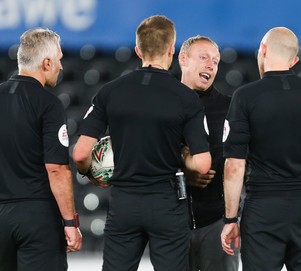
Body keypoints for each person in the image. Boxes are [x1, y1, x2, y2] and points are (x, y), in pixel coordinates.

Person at [73, 15, 211, 271]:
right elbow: (202, 164)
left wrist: (90, 173)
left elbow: (81, 153)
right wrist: (183, 158)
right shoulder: (187, 98)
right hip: (167, 203)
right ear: (172, 48)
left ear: (138, 50)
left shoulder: (109, 92)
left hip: (124, 202)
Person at [220, 27, 301, 271]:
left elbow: (234, 166)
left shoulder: (244, 96)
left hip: (262, 210)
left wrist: (231, 219)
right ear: (294, 60)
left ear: (262, 50)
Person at [0, 28, 82, 271]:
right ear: (47, 62)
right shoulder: (49, 104)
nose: (61, 67)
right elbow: (57, 169)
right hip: (38, 217)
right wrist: (70, 222)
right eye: (59, 60)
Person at [178, 35, 239, 271]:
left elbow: (241, 162)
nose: (211, 65)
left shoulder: (230, 108)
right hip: (171, 224)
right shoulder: (162, 103)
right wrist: (184, 171)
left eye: (215, 61)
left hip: (217, 222)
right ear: (183, 59)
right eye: (204, 58)